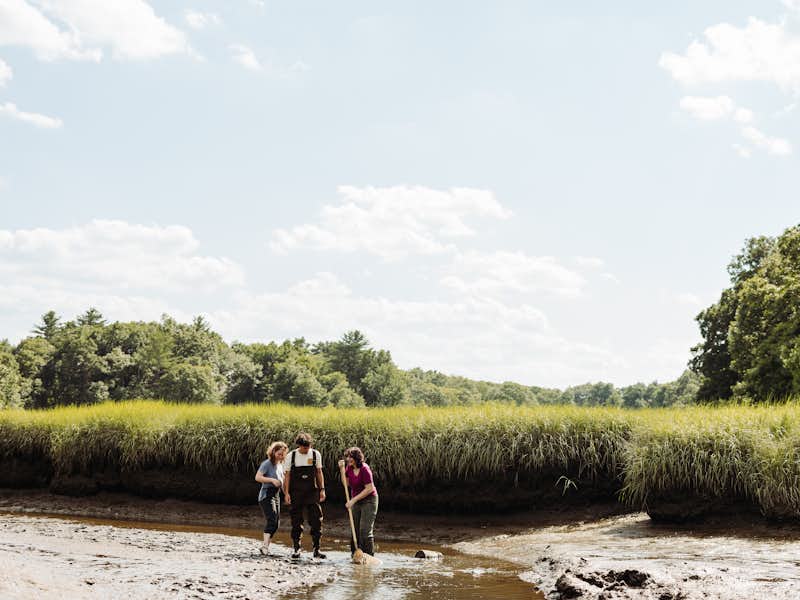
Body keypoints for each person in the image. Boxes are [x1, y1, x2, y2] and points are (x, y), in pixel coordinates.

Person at [283, 432, 327, 559]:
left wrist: (322, 489)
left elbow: (319, 472)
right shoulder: (291, 456)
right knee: (296, 521)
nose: (306, 449)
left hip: (312, 492)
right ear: (299, 445)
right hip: (296, 492)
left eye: (307, 447)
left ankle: (316, 549)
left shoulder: (315, 454)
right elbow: (287, 476)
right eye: (303, 447)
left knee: (316, 521)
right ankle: (297, 549)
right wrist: (286, 493)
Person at [339, 446, 378, 557]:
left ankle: (369, 556)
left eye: (350, 457)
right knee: (355, 529)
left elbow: (369, 488)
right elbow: (346, 484)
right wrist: (342, 471)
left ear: (357, 458)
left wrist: (353, 500)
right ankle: (355, 554)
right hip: (356, 501)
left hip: (369, 500)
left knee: (365, 530)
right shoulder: (349, 468)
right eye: (347, 458)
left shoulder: (365, 469)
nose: (348, 460)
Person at [254, 441, 288, 556]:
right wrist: (272, 480)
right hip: (266, 494)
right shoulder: (267, 463)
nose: (281, 456)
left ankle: (266, 547)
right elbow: (258, 477)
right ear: (273, 452)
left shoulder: (281, 465)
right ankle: (264, 547)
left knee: (276, 523)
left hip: (276, 495)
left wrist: (287, 494)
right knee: (272, 520)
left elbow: (282, 483)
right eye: (279, 453)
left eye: (283, 454)